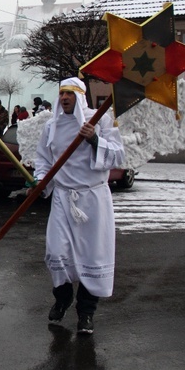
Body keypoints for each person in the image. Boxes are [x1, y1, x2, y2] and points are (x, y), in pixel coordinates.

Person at [32, 77, 125, 335]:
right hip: (63, 197)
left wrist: (95, 140)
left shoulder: (100, 121)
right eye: (61, 93)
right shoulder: (51, 126)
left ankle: (86, 314)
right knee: (56, 252)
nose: (64, 98)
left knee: (91, 257)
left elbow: (119, 154)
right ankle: (62, 298)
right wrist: (40, 180)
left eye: (70, 93)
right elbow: (43, 159)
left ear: (81, 97)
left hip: (93, 198)